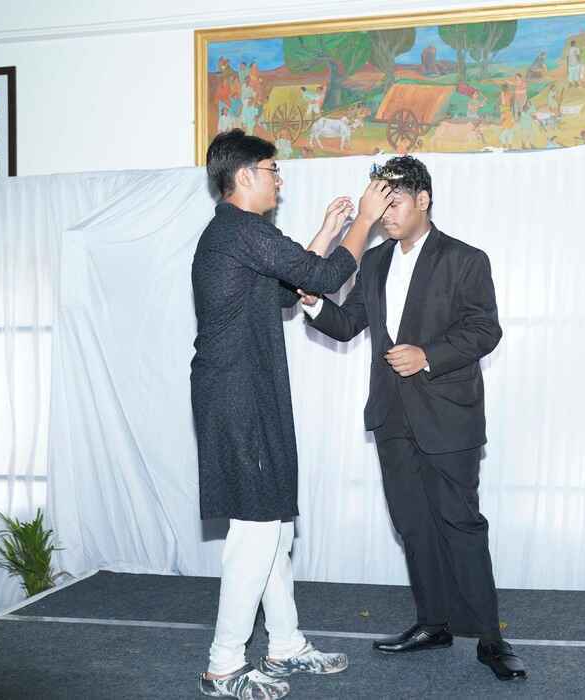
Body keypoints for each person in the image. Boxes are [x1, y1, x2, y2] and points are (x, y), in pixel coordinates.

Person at [300, 156, 527, 682]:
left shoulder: (465, 259)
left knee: (461, 526)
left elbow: (485, 330)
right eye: (378, 204)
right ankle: (433, 624)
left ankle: (491, 639)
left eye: (394, 201)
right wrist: (314, 304)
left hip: (448, 418)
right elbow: (348, 323)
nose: (385, 214)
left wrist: (427, 355)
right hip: (391, 417)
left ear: (423, 199)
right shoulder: (375, 261)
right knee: (413, 526)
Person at [192, 129, 393, 700]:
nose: (280, 182)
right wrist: (365, 219)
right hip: (237, 396)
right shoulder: (239, 229)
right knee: (256, 531)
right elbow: (322, 279)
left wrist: (328, 233)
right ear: (245, 175)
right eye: (273, 171)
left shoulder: (240, 235)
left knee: (275, 529)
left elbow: (287, 289)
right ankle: (223, 666)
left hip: (252, 392)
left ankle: (284, 645)